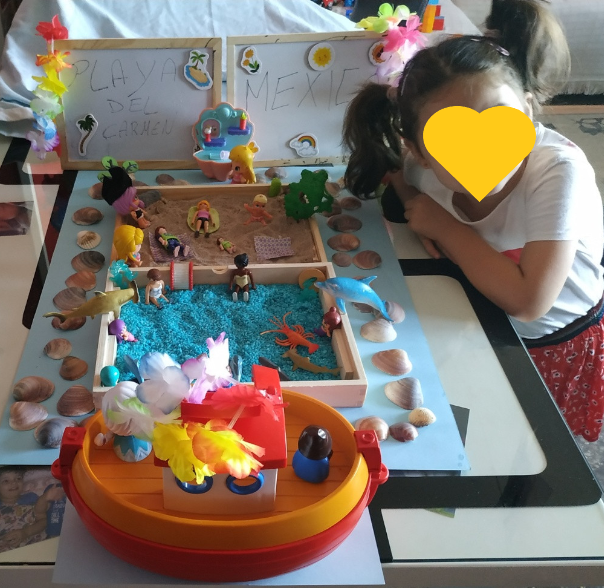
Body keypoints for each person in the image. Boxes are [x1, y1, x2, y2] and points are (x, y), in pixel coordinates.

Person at [343, 0, 604, 442]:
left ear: (527, 109)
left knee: (538, 446)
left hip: (556, 340)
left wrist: (446, 228)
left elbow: (529, 301)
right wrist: (412, 199)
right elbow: (403, 176)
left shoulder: (560, 170)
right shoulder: (422, 168)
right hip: (480, 321)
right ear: (420, 149)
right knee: (484, 432)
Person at [0, 467, 61, 552]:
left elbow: (43, 520)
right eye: (6, 481)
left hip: (37, 548)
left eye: (18, 478)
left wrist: (26, 532)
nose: (14, 483)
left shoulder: (31, 498)